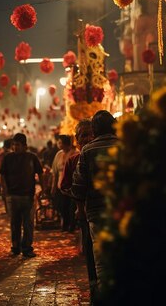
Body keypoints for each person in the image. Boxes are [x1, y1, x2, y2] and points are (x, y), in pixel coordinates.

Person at [72, 110, 118, 295]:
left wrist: (79, 209)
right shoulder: (124, 145)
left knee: (100, 258)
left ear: (95, 129)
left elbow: (78, 185)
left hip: (96, 212)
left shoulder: (88, 150)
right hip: (122, 209)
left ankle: (105, 295)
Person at [60, 119, 96, 293]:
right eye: (84, 135)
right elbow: (65, 186)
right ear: (77, 139)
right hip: (85, 213)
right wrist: (79, 199)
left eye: (91, 134)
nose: (88, 138)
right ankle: (94, 286)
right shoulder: (73, 161)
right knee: (90, 251)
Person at [0, 133, 42, 258]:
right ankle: (15, 247)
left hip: (28, 196)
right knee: (14, 223)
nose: (14, 147)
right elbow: (2, 175)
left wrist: (43, 189)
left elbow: (40, 173)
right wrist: (5, 189)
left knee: (28, 224)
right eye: (13, 145)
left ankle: (27, 248)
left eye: (17, 145)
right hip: (13, 196)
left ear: (25, 146)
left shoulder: (32, 157)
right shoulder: (8, 158)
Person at [51, 135, 77, 232]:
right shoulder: (58, 154)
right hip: (60, 185)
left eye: (60, 142)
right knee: (62, 206)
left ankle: (71, 226)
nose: (58, 144)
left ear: (66, 143)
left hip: (72, 185)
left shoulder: (75, 153)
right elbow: (55, 171)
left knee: (71, 207)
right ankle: (65, 224)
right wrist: (53, 186)